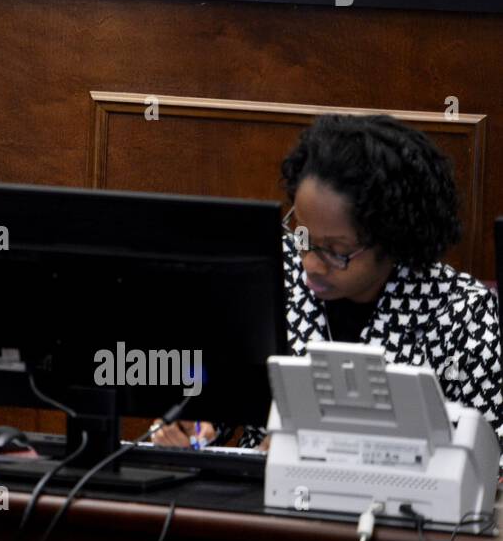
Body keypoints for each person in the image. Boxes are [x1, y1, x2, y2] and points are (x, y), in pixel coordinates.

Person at [155, 114, 503, 463]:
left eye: (336, 252)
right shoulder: (272, 272)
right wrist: (196, 425)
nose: (310, 263)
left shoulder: (463, 317)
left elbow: (490, 467)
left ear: (394, 242)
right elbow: (219, 398)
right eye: (303, 236)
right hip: (259, 505)